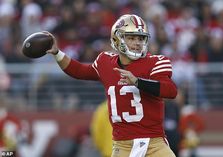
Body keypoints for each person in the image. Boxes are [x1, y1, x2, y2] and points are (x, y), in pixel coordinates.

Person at [46, 14, 177, 157]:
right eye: (132, 38)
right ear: (118, 38)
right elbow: (79, 71)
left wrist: (138, 82)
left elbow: (170, 90)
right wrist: (57, 53)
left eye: (141, 38)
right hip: (122, 145)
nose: (138, 42)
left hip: (154, 144)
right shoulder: (105, 62)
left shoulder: (156, 62)